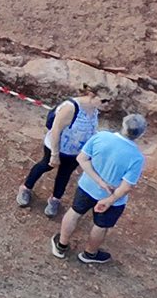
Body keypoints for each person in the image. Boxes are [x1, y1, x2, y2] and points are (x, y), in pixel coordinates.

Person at [53, 114, 147, 264]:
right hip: (113, 199)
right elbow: (126, 187)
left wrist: (99, 181)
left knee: (75, 212)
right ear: (141, 134)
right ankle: (90, 254)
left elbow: (81, 159)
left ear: (123, 124)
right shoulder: (137, 158)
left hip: (87, 187)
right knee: (100, 226)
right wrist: (110, 200)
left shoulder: (101, 136)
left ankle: (61, 245)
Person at [17, 87, 104, 217]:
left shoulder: (95, 110)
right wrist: (55, 154)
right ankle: (26, 188)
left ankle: (55, 199)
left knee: (65, 174)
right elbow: (56, 130)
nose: (107, 104)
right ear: (92, 95)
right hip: (57, 148)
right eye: (104, 100)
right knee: (45, 165)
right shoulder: (71, 107)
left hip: (75, 152)